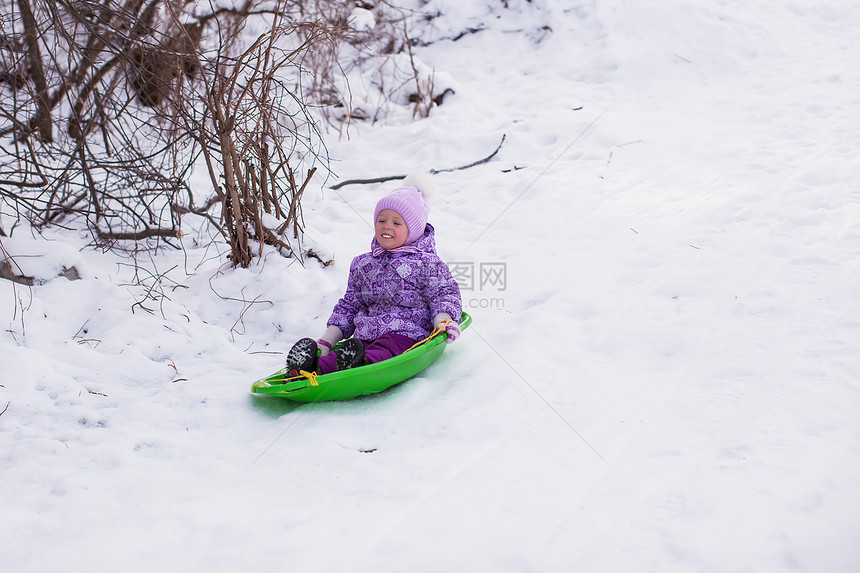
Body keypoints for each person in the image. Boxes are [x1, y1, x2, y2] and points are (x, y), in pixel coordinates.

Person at [285, 177, 462, 376]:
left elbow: (443, 294)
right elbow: (350, 305)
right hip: (366, 335)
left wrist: (443, 321)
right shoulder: (363, 265)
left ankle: (360, 363)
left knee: (385, 350)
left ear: (413, 231)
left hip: (407, 334)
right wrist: (327, 340)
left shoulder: (427, 263)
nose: (387, 226)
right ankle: (311, 366)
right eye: (382, 220)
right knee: (350, 350)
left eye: (396, 223)